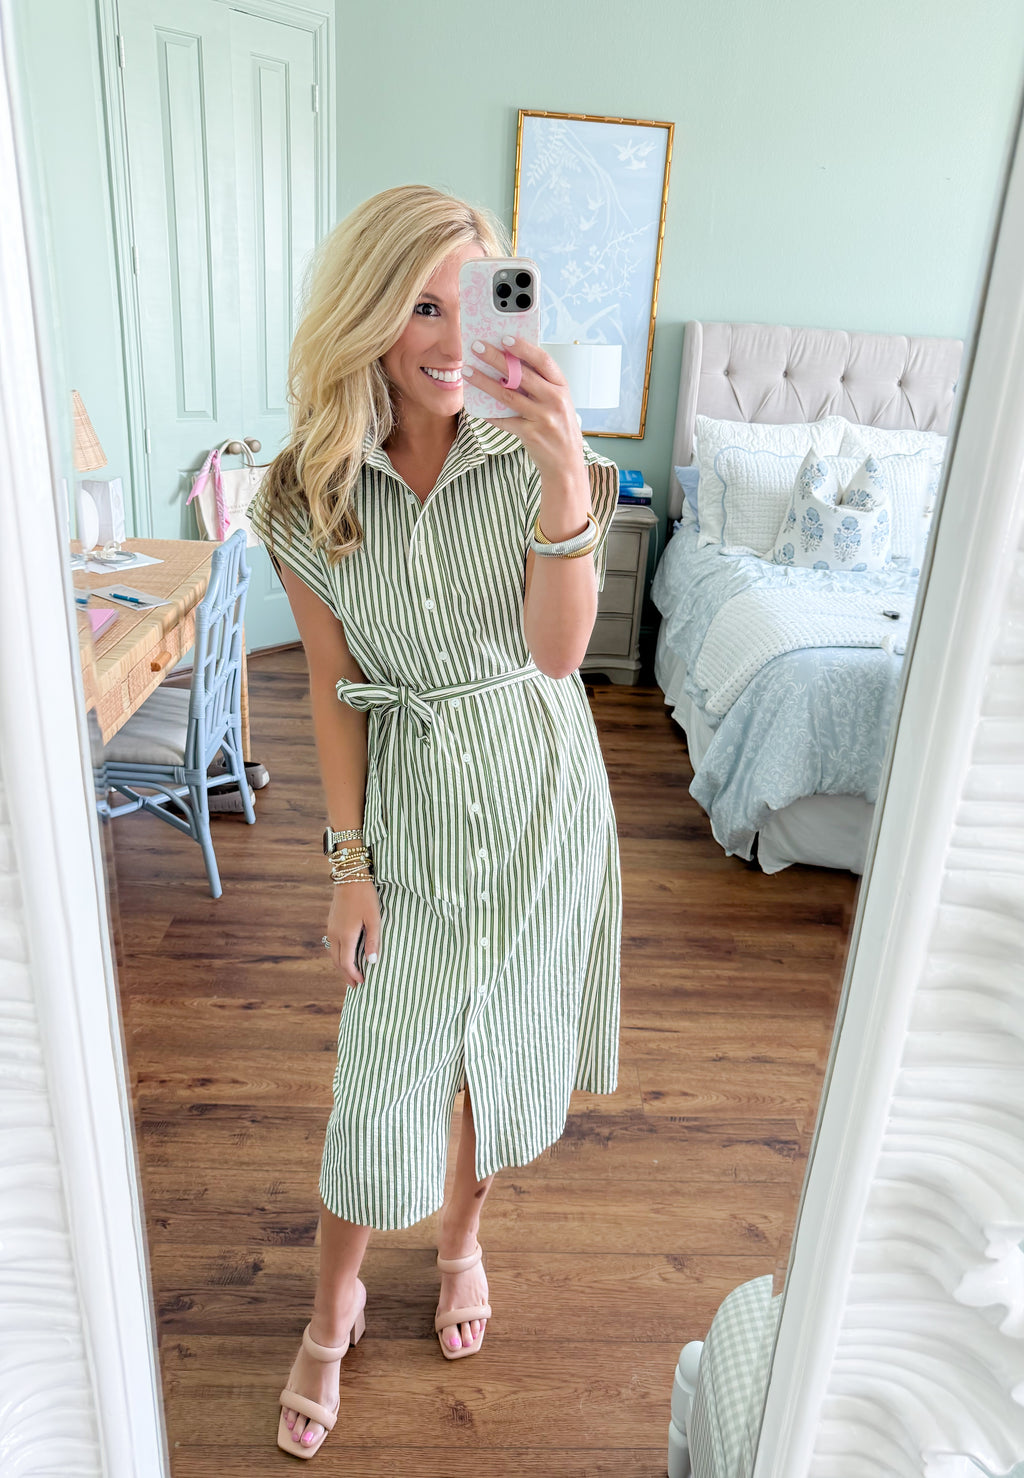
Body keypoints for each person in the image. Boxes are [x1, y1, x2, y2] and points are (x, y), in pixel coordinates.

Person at [247, 183, 622, 1460]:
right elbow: (331, 685)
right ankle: (332, 1303)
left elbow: (557, 656)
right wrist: (346, 865)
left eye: (474, 302)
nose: (453, 338)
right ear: (366, 313)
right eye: (419, 306)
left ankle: (462, 1240)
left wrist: (562, 466)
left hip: (537, 793)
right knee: (381, 1072)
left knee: (495, 1049)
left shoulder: (531, 454)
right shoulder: (303, 492)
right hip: (407, 795)